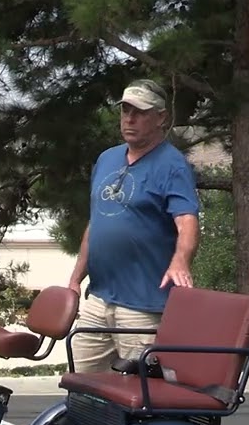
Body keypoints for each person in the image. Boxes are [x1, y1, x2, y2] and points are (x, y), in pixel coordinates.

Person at [66, 78, 201, 373]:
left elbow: (187, 220)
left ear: (161, 118)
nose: (130, 118)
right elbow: (97, 222)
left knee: (139, 394)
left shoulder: (172, 164)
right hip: (99, 299)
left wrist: (180, 260)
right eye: (125, 110)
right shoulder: (107, 159)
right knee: (81, 386)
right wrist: (76, 279)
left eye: (140, 112)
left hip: (141, 306)